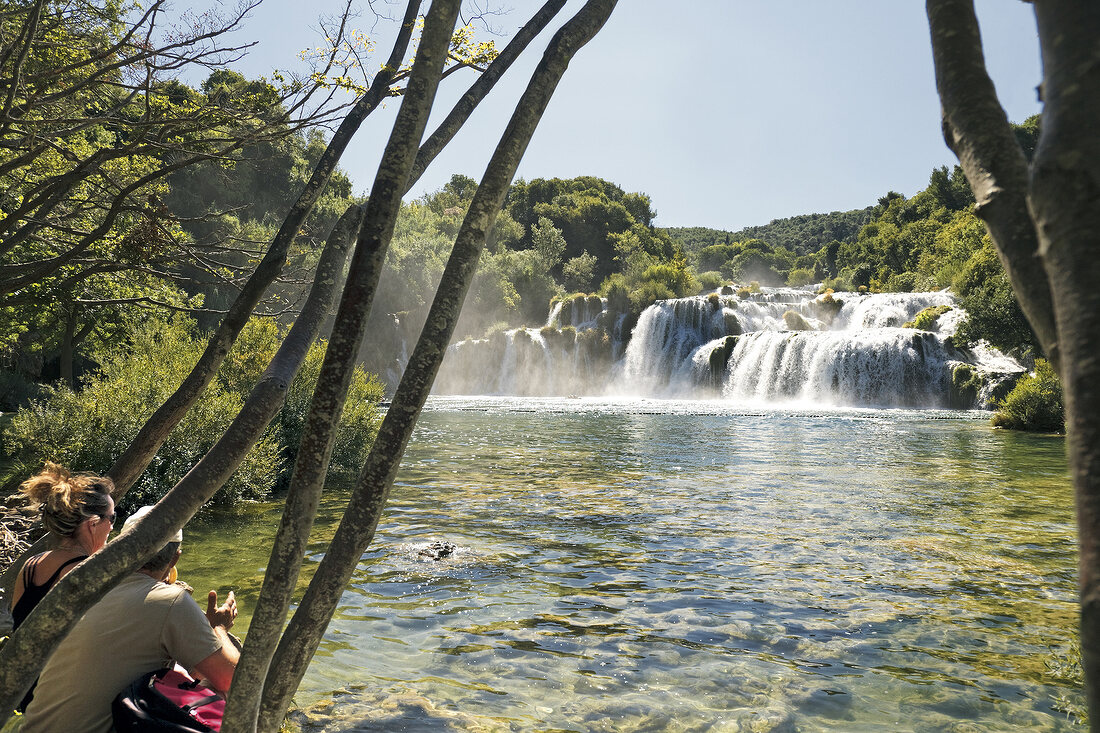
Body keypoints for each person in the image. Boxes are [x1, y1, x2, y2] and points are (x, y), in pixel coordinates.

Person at [20, 506, 239, 733]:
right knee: (222, 691)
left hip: (34, 727)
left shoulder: (81, 587)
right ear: (175, 557)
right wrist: (219, 628)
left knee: (183, 676)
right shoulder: (170, 600)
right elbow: (232, 679)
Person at [9, 463, 115, 630]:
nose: (111, 527)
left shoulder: (31, 564)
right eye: (112, 518)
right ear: (93, 524)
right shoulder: (88, 572)